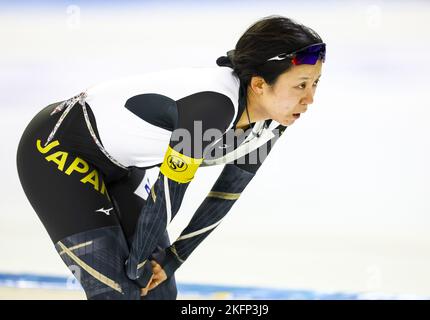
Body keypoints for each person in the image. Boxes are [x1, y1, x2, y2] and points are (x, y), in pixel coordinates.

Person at [16, 15, 325, 300]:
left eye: (314, 83)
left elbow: (226, 193)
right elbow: (169, 193)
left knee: (159, 293)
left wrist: (172, 259)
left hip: (121, 167)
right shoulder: (213, 108)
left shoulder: (270, 123)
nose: (310, 98)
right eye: (300, 85)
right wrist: (137, 264)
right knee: (119, 294)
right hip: (56, 150)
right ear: (259, 84)